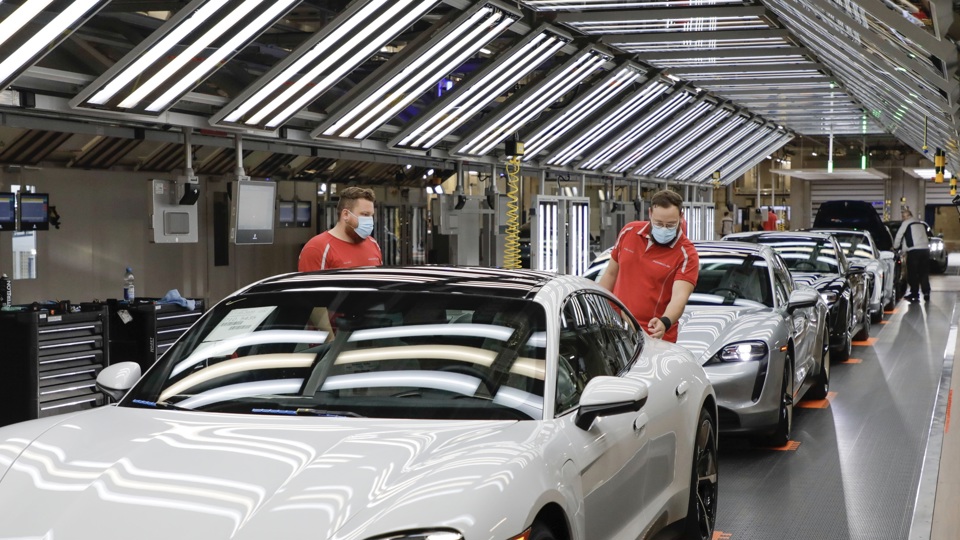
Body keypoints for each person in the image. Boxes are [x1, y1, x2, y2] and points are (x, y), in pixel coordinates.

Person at [599, 189, 699, 342]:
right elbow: (610, 274)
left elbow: (679, 297)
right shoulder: (629, 232)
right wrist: (596, 305)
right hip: (616, 328)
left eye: (671, 224)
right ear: (650, 213)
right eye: (659, 223)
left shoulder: (687, 254)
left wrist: (665, 321)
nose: (664, 229)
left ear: (681, 216)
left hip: (653, 335)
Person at [298, 186, 382, 271]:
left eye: (371, 215)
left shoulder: (373, 244)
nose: (370, 220)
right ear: (345, 214)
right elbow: (312, 284)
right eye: (365, 214)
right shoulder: (317, 248)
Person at [894, 208, 930, 302]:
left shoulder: (906, 223)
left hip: (915, 252)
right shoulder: (919, 223)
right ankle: (926, 292)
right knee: (924, 273)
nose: (903, 218)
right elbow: (909, 238)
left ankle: (914, 293)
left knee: (912, 273)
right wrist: (904, 250)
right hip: (925, 250)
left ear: (907, 216)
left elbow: (899, 235)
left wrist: (895, 246)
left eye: (903, 216)